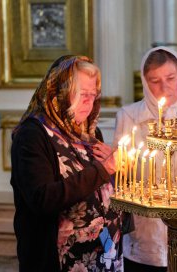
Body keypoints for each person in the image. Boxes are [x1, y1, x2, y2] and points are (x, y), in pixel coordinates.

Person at [10, 55, 123, 272]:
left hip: (105, 254)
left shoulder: (89, 132)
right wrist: (103, 169)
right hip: (60, 261)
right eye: (82, 95)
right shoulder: (33, 135)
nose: (88, 103)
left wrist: (117, 171)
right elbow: (42, 199)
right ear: (59, 92)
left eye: (93, 95)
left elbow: (101, 187)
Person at [113, 47, 177, 272]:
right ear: (145, 83)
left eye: (170, 78)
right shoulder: (129, 116)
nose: (164, 87)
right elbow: (120, 175)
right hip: (144, 230)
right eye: (154, 81)